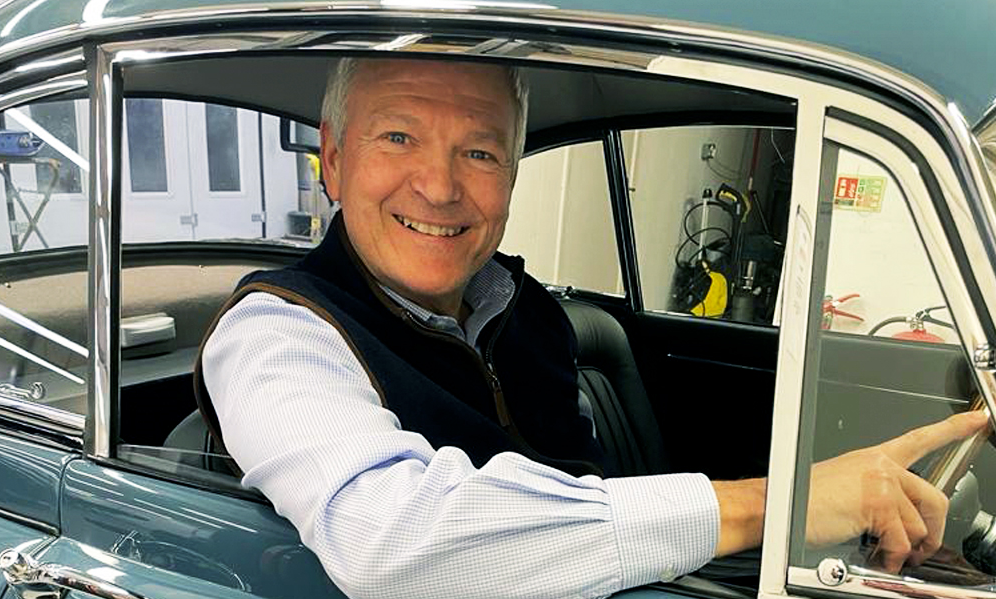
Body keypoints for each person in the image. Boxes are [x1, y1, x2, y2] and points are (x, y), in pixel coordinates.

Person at [197, 57, 989, 599]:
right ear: (332, 160)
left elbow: (581, 496)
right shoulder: (277, 332)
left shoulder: (528, 310)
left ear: (510, 176)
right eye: (397, 136)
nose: (439, 185)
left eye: (480, 150)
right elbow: (389, 534)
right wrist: (783, 505)